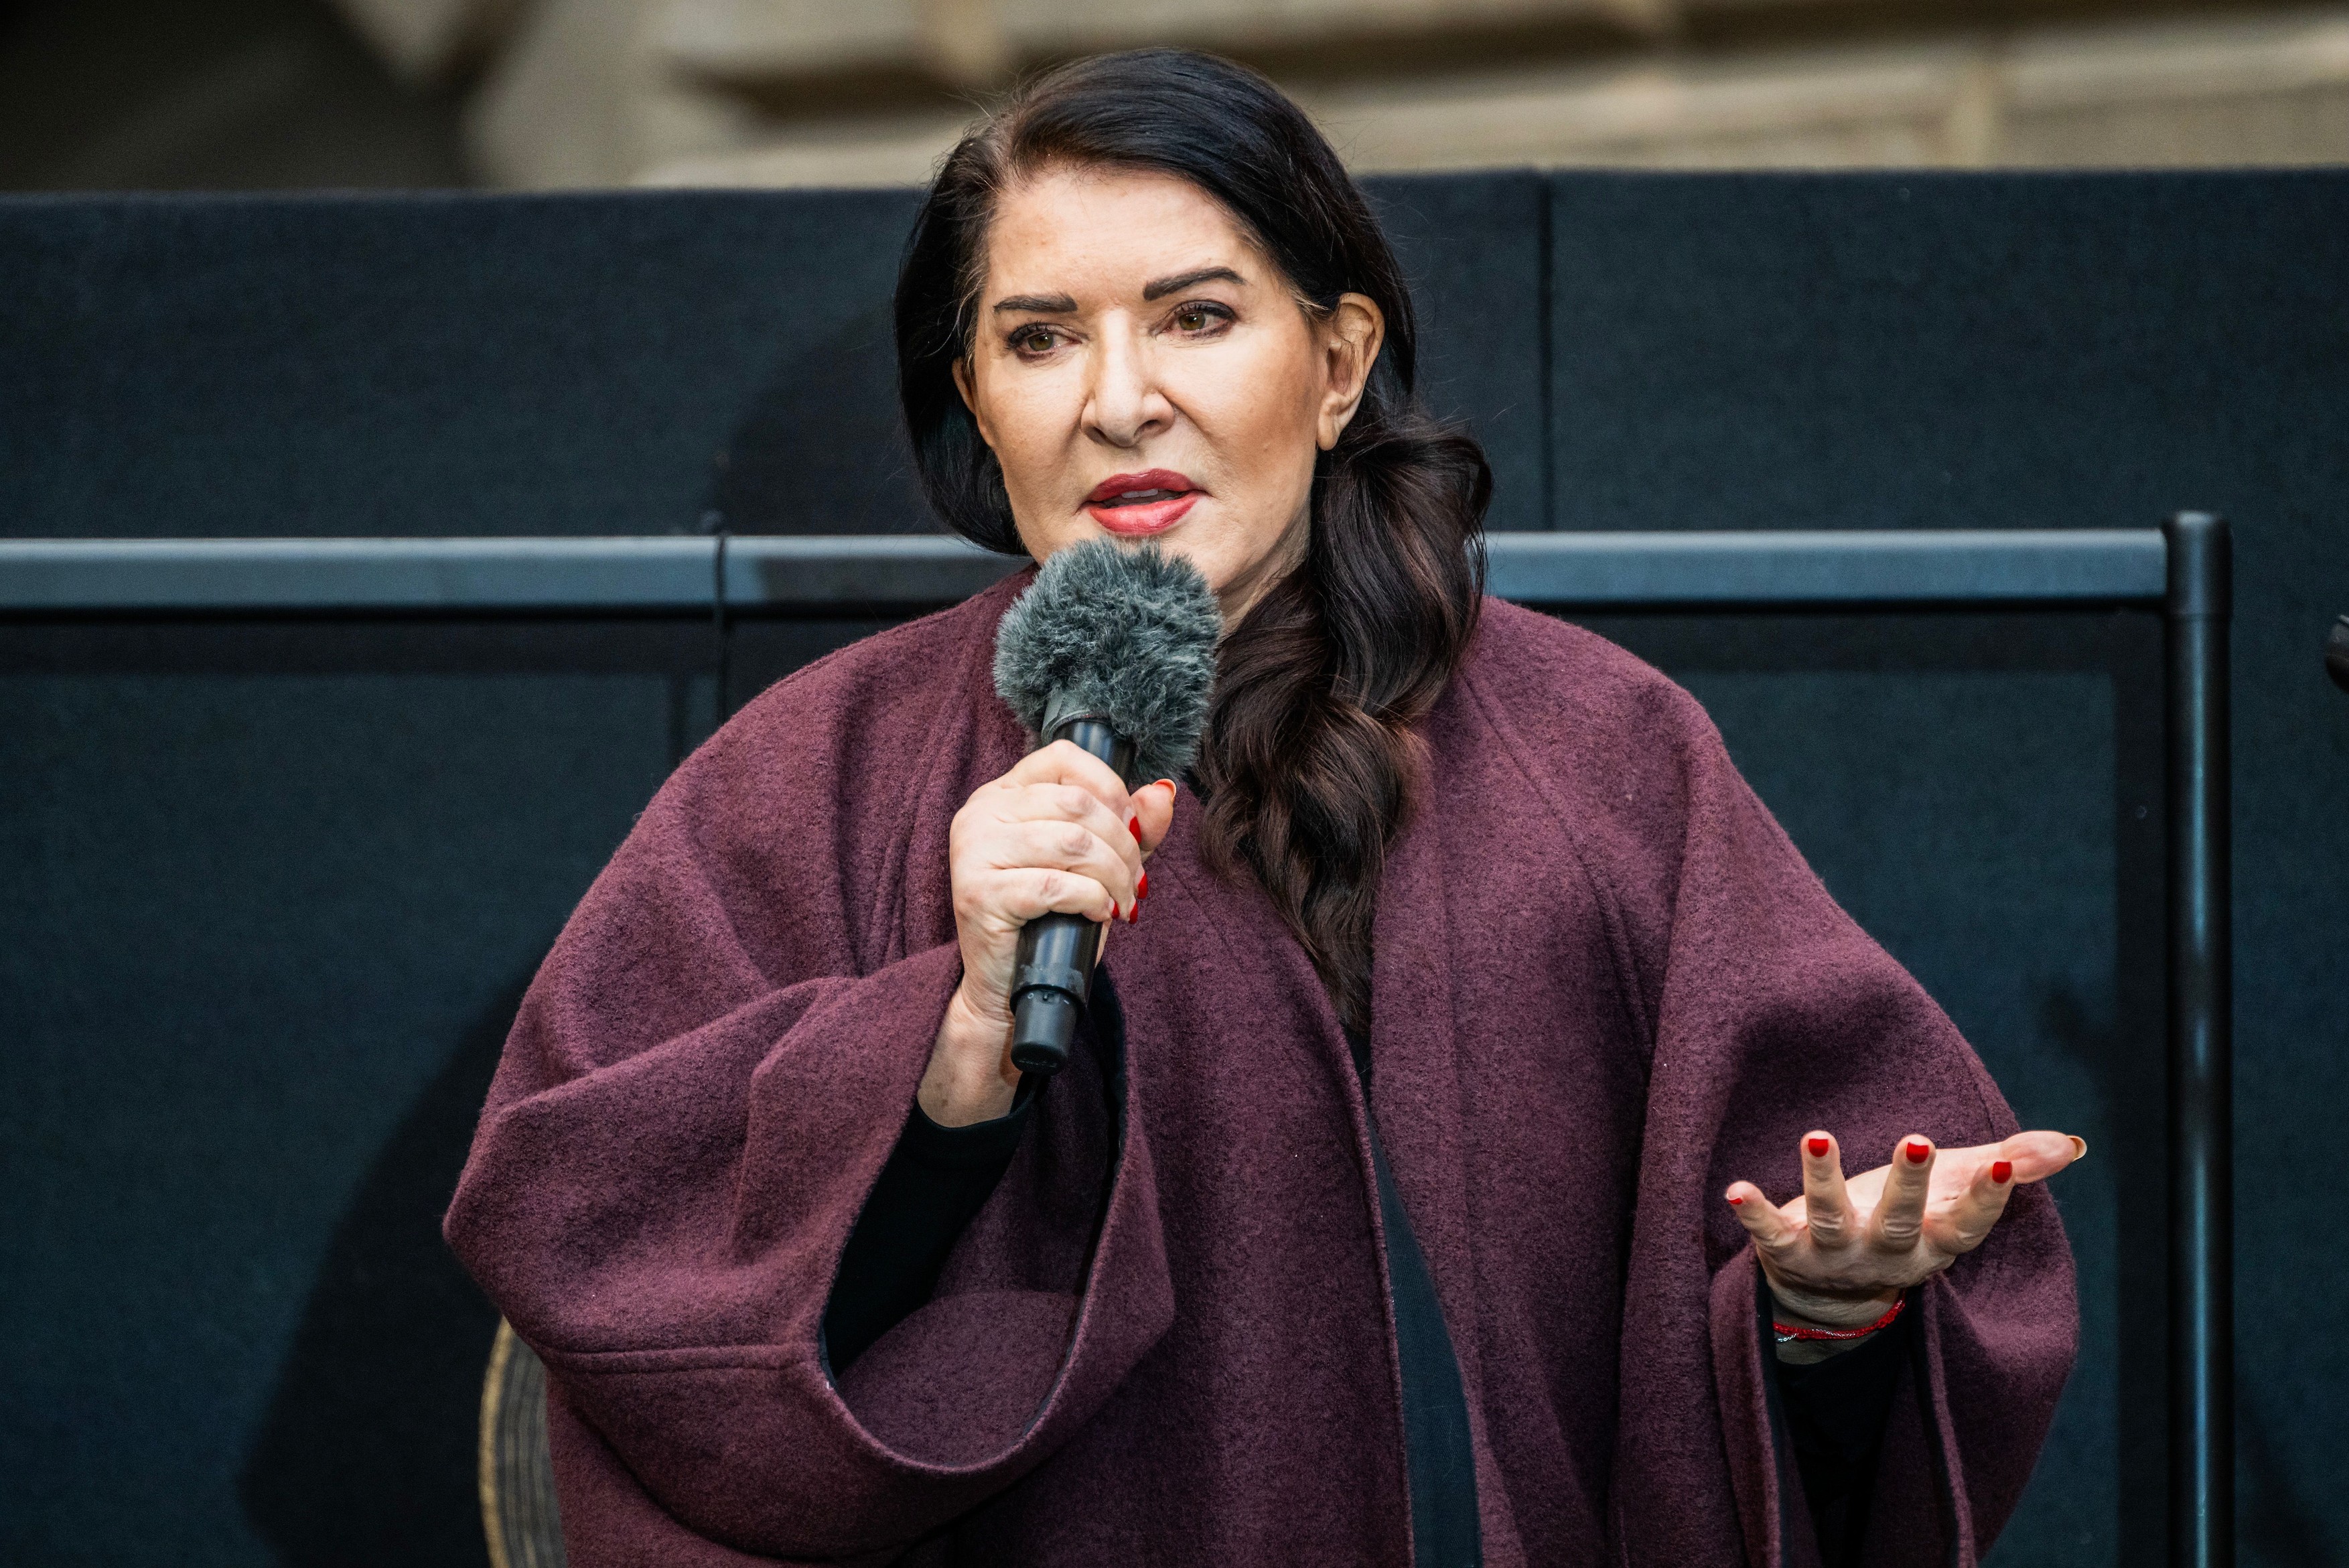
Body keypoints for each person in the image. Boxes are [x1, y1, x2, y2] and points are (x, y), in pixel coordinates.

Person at [445, 48, 2082, 1568]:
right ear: (975, 398)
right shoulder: (807, 775)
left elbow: (1812, 1238)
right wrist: (936, 1065)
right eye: (1038, 338)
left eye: (1196, 317)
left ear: (1337, 362)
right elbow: (606, 1260)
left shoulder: (1605, 756)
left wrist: (1824, 1310)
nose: (1118, 398)